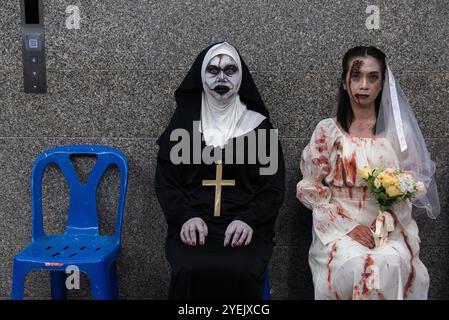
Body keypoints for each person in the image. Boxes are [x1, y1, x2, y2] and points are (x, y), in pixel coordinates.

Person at [296, 46, 440, 300]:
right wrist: (347, 226)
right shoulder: (327, 132)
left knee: (391, 264)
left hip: (390, 227)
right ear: (344, 82)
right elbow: (311, 188)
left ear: (383, 83)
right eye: (356, 76)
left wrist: (387, 222)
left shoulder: (399, 135)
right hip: (338, 227)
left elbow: (412, 185)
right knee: (356, 264)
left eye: (372, 77)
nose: (364, 85)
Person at [155, 42, 285, 299]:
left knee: (240, 267)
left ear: (241, 77)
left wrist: (249, 219)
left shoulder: (259, 127)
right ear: (201, 77)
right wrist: (186, 216)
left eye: (230, 70)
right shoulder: (183, 124)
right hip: (193, 223)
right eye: (213, 70)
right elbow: (166, 181)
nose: (221, 78)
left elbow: (273, 187)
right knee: (190, 266)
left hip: (246, 225)